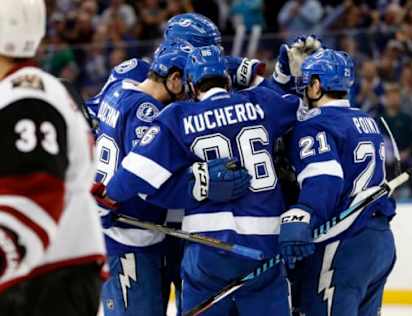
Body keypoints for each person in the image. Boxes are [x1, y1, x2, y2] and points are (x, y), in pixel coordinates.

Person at [105, 45, 304, 315]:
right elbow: (302, 107)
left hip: (208, 249)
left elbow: (128, 180)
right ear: (227, 80)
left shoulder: (177, 118)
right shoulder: (261, 102)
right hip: (265, 244)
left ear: (191, 85)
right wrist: (286, 75)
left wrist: (107, 201)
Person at [91, 41, 251, 316]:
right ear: (175, 79)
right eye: (188, 82)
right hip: (129, 239)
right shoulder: (148, 111)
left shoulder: (120, 88)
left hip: (125, 233)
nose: (191, 92)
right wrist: (199, 184)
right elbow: (144, 181)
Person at [0, 1, 106, 315]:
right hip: (43, 275)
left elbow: (34, 196)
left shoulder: (27, 97)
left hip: (49, 277)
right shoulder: (22, 92)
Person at [278, 49, 397, 316]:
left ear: (318, 85)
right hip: (380, 241)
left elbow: (325, 180)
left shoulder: (315, 125)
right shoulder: (366, 120)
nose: (305, 88)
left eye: (308, 82)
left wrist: (305, 213)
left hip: (344, 242)